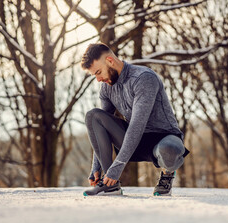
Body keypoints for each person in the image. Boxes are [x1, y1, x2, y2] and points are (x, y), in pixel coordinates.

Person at [81, 43, 189, 196]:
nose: (98, 79)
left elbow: (137, 126)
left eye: (98, 72)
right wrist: (96, 168)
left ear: (110, 61)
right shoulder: (107, 88)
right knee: (93, 115)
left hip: (162, 138)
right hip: (133, 142)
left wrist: (117, 167)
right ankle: (110, 185)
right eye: (95, 75)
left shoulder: (143, 78)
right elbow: (98, 127)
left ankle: (167, 174)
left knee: (170, 149)